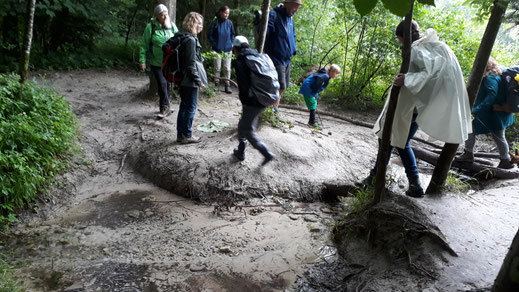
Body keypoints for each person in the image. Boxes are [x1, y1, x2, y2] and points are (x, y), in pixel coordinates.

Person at [364, 20, 472, 198]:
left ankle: (413, 183)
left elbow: (429, 74)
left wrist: (407, 79)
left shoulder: (417, 49)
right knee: (389, 138)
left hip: (411, 107)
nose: (399, 42)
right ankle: (376, 177)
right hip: (414, 106)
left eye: (399, 39)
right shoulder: (434, 46)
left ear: (403, 36)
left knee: (398, 140)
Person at [457, 57, 516, 169]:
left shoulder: (490, 78)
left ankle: (469, 154)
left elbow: (491, 96)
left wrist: (477, 109)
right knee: (497, 136)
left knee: (474, 130)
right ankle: (505, 159)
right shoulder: (498, 73)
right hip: (497, 114)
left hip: (493, 115)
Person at [232, 35, 276, 166]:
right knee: (244, 124)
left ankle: (266, 153)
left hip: (254, 100)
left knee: (247, 130)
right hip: (267, 96)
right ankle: (240, 151)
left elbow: (243, 85)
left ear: (235, 49)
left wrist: (245, 102)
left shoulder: (241, 62)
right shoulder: (259, 57)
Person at [139, 4, 179, 119]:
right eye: (162, 14)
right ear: (156, 16)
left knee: (166, 84)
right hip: (156, 62)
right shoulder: (150, 27)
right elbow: (144, 45)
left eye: (166, 13)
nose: (164, 15)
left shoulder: (171, 26)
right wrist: (142, 60)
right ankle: (165, 107)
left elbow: (179, 39)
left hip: (170, 62)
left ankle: (164, 107)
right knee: (162, 83)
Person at [175, 12, 208, 144]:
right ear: (192, 23)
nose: (201, 26)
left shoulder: (185, 37)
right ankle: (186, 135)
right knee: (190, 107)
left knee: (184, 106)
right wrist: (198, 81)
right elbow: (190, 64)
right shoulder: (190, 40)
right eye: (199, 23)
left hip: (185, 78)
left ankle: (181, 135)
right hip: (189, 80)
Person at [264, 0, 302, 113]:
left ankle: (274, 108)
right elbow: (266, 33)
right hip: (276, 57)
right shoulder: (274, 15)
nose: (296, 10)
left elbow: (293, 35)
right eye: (295, 7)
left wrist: (293, 49)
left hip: (287, 57)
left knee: (283, 87)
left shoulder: (290, 18)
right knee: (278, 85)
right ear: (287, 4)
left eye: (298, 7)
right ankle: (271, 109)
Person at [207, 5, 236, 94]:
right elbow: (210, 35)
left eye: (228, 13)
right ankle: (216, 84)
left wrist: (231, 43)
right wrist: (214, 43)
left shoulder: (229, 23)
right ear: (221, 12)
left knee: (227, 68)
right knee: (217, 68)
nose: (227, 15)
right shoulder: (215, 23)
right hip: (217, 49)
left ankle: (227, 85)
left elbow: (232, 34)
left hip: (228, 49)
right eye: (225, 13)